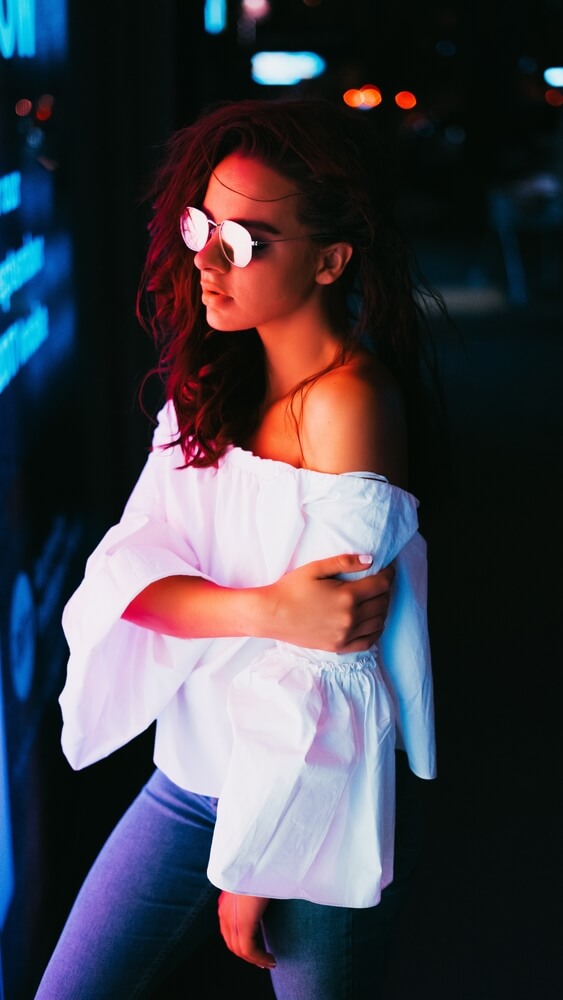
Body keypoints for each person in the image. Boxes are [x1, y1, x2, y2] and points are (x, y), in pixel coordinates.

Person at [35, 96, 442, 999]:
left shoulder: (349, 403)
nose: (207, 260)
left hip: (319, 794)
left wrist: (257, 863)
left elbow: (334, 663)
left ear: (330, 260)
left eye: (244, 240)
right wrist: (268, 610)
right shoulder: (212, 387)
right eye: (201, 226)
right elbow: (128, 572)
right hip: (191, 777)